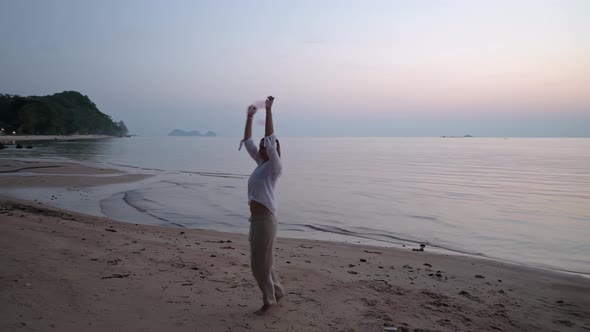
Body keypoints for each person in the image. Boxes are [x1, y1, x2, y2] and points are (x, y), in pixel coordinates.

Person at [239, 96, 284, 314]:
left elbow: (269, 136)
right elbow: (248, 142)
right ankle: (278, 290)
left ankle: (270, 301)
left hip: (266, 220)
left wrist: (268, 111)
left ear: (273, 148)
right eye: (262, 145)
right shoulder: (260, 164)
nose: (262, 145)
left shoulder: (274, 166)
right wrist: (249, 117)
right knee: (265, 260)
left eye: (265, 144)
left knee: (259, 265)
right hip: (256, 221)